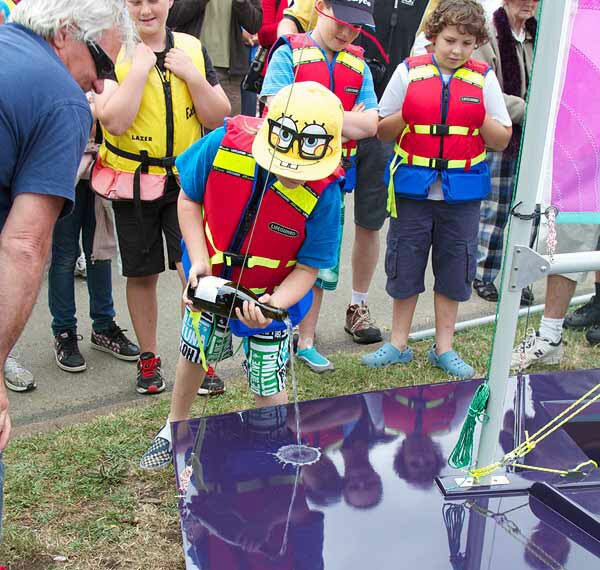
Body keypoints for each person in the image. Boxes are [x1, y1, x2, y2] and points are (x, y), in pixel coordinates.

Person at [139, 81, 345, 469]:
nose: (292, 175)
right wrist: (198, 260)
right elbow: (188, 198)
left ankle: (273, 445)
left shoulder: (326, 195)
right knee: (195, 350)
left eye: (303, 170)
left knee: (269, 375)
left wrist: (274, 305)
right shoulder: (222, 145)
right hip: (212, 281)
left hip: (270, 296)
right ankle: (175, 427)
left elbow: (309, 268)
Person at [0, 0, 132, 453]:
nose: (101, 84)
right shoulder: (63, 100)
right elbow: (23, 245)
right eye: (101, 62)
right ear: (64, 32)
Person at [363, 0, 512, 378]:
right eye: (450, 40)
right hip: (414, 191)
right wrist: (407, 112)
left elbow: (502, 138)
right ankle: (397, 343)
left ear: (476, 42)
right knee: (405, 266)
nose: (457, 50)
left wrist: (479, 117)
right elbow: (382, 130)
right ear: (432, 37)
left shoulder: (483, 79)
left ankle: (443, 347)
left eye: (466, 43)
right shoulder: (408, 73)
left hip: (461, 196)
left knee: (454, 269)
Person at [93, 0, 231, 396]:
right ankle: (148, 358)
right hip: (133, 182)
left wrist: (194, 78)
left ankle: (201, 356)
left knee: (192, 266)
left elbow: (217, 116)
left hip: (184, 182)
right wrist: (138, 69)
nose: (145, 9)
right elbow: (114, 120)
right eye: (135, 2)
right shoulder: (111, 51)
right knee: (141, 272)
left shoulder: (190, 47)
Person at [262, 0, 378, 372]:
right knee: (277, 256)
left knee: (319, 262)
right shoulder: (288, 54)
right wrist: (345, 119)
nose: (346, 33)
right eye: (341, 22)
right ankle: (271, 333)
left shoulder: (359, 66)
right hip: (283, 179)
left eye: (356, 28)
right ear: (321, 7)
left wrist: (311, 112)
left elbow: (372, 126)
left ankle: (307, 340)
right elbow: (275, 108)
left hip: (332, 182)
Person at [48, 128, 140, 373]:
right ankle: (64, 331)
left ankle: (103, 326)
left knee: (100, 253)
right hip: (64, 170)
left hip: (103, 169)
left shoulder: (104, 87)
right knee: (65, 257)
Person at [472, 0, 539, 306]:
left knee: (533, 212)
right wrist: (532, 109)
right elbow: (484, 90)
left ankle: (521, 278)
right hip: (500, 133)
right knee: (494, 209)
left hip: (536, 138)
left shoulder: (540, 35)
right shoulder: (489, 32)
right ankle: (483, 274)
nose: (530, 3)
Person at [200, 0, 262, 115]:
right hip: (189, 63)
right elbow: (173, 15)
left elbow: (254, 24)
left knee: (228, 129)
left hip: (229, 73)